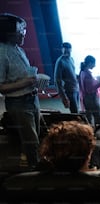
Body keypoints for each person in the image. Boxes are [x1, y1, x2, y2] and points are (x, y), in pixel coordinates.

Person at [0, 13, 40, 169]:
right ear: (7, 32)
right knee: (32, 142)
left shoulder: (17, 49)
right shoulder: (1, 53)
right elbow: (1, 86)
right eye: (21, 30)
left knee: (34, 139)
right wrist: (27, 82)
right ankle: (35, 174)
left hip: (31, 99)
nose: (24, 33)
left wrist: (33, 81)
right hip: (18, 103)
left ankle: (34, 165)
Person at [79, 55, 100, 131]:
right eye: (94, 63)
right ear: (90, 63)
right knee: (97, 116)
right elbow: (90, 89)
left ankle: (90, 131)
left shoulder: (83, 71)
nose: (95, 65)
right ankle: (98, 134)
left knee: (89, 116)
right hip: (90, 98)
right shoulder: (87, 73)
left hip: (86, 98)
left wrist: (96, 81)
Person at [54, 42, 80, 113]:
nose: (66, 51)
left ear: (71, 50)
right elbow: (57, 80)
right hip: (69, 92)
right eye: (64, 49)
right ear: (61, 50)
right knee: (75, 113)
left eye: (68, 49)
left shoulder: (71, 59)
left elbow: (72, 73)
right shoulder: (60, 62)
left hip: (76, 89)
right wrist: (63, 97)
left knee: (77, 110)